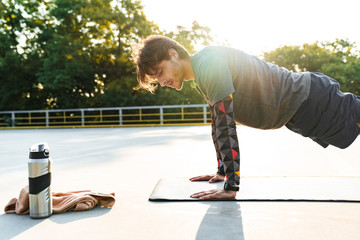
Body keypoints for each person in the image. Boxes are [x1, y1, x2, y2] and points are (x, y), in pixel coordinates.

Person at [130, 35, 360, 200]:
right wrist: (221, 171)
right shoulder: (201, 74)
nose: (162, 82)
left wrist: (231, 185)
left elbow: (225, 125)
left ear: (173, 54)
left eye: (160, 73)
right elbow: (216, 122)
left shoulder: (209, 63)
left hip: (311, 100)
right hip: (302, 109)